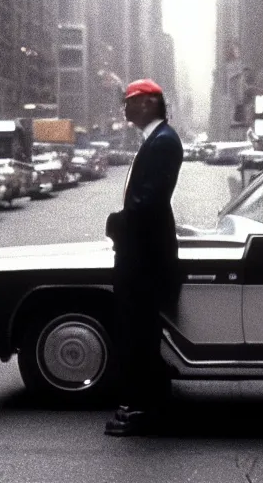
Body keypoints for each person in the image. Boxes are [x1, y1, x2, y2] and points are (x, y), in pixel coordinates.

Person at [104, 79, 183, 437]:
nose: (125, 107)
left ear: (150, 104)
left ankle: (143, 409)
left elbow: (149, 201)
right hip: (142, 252)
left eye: (131, 101)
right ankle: (147, 404)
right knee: (139, 332)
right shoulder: (155, 140)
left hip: (146, 257)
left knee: (140, 333)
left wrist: (118, 222)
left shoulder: (164, 141)